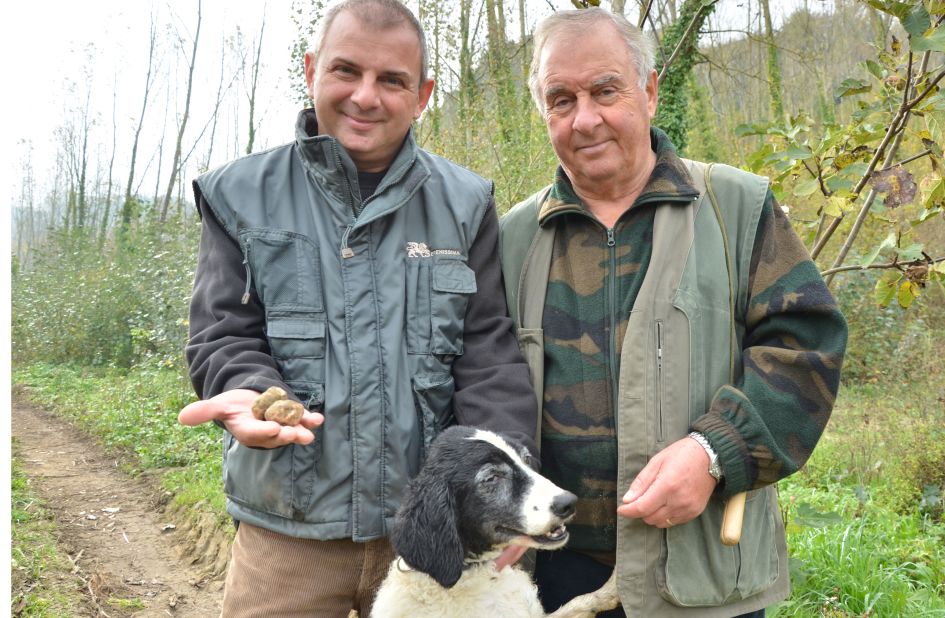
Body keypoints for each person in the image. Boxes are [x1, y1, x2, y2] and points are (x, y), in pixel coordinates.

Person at [177, 1, 537, 615]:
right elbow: (222, 335)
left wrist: (508, 497)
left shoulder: (466, 204)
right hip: (286, 536)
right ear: (313, 69)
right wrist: (251, 390)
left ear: (422, 94)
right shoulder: (237, 194)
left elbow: (488, 357)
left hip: (431, 540)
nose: (366, 97)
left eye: (392, 79)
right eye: (346, 71)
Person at [499, 8, 848, 617]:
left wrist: (715, 452)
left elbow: (805, 350)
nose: (586, 119)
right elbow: (481, 383)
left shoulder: (736, 207)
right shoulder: (510, 240)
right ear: (542, 112)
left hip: (703, 571)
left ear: (650, 90)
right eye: (561, 99)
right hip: (552, 575)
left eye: (606, 90)